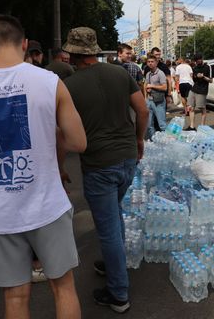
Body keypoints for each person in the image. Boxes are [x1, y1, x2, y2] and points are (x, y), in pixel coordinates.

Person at [0, 14, 86, 319]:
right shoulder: (49, 81)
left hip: (2, 210)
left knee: (16, 296)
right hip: (48, 205)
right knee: (63, 287)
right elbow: (78, 142)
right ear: (24, 44)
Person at [63, 26, 148, 314]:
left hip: (99, 164)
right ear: (95, 50)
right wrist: (138, 140)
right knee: (115, 216)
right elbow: (143, 110)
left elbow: (60, 131)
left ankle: (118, 294)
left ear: (72, 53)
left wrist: (59, 166)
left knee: (109, 231)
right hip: (127, 159)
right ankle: (115, 264)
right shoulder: (121, 73)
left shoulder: (69, 86)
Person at [185, 53, 212, 131]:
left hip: (202, 90)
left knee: (202, 108)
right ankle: (192, 126)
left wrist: (203, 76)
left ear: (202, 58)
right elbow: (194, 78)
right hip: (194, 89)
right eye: (196, 60)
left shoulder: (207, 67)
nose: (198, 61)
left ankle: (202, 127)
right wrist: (196, 76)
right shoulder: (195, 68)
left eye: (199, 59)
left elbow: (210, 80)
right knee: (190, 107)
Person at [144, 55, 168, 138]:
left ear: (156, 63)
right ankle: (153, 141)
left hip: (159, 102)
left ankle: (166, 143)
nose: (150, 63)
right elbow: (146, 85)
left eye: (152, 62)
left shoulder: (160, 73)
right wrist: (145, 96)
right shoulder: (148, 74)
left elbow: (165, 87)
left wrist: (152, 86)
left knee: (162, 125)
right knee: (149, 125)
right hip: (149, 101)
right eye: (148, 62)